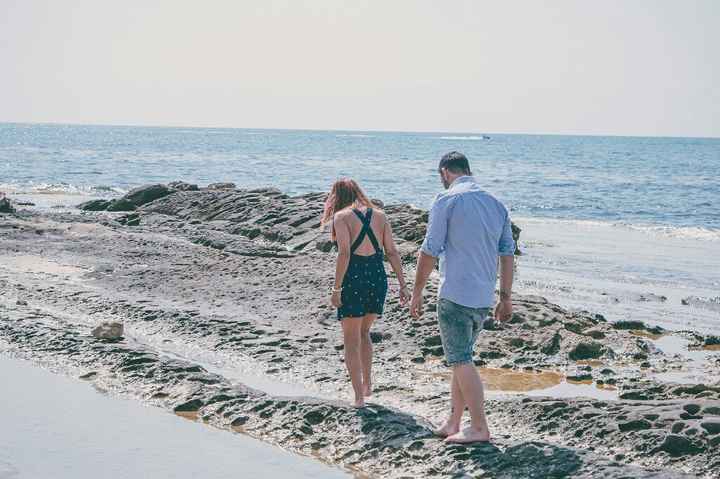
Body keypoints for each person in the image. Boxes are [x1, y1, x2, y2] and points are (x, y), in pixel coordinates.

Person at [409, 151, 515, 443]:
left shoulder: (447, 200)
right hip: (483, 297)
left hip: (455, 293)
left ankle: (479, 427)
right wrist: (505, 298)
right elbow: (507, 254)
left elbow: (430, 249)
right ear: (467, 169)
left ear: (445, 172)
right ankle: (454, 421)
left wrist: (417, 291)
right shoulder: (497, 204)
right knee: (461, 357)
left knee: (460, 360)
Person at [321, 178, 410, 408]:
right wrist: (402, 284)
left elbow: (344, 255)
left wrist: (336, 288)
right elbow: (391, 251)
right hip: (377, 276)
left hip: (354, 277)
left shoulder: (341, 218)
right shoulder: (380, 216)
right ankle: (367, 385)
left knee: (351, 339)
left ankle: (358, 397)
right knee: (365, 332)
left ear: (337, 197)